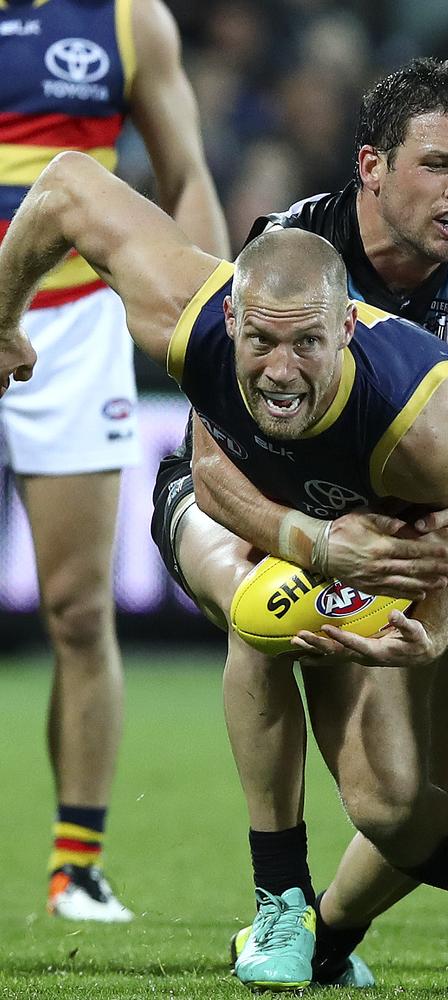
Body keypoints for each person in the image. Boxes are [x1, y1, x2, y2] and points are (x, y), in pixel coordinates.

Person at [0, 161, 448, 994]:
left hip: (377, 539)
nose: (280, 371)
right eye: (260, 341)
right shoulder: (184, 310)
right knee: (261, 606)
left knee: (390, 807)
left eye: (307, 343)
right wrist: (3, 320)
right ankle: (280, 895)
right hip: (232, 510)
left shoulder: (433, 431)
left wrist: (437, 617)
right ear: (231, 317)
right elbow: (64, 186)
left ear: (348, 329)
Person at [0, 0, 230, 922]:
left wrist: (219, 332)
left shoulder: (131, 20)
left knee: (78, 605)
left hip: (75, 325)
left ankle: (76, 868)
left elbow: (186, 178)